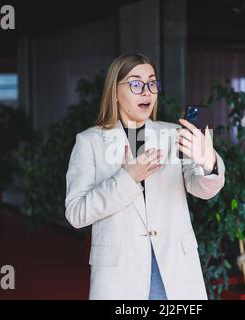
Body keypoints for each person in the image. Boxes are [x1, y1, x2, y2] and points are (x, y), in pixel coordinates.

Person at [65, 53, 225, 300]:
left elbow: (202, 189)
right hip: (121, 278)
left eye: (152, 83)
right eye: (135, 84)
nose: (147, 91)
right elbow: (76, 213)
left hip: (174, 270)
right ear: (114, 92)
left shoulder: (174, 135)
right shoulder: (89, 142)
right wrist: (128, 177)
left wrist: (208, 163)